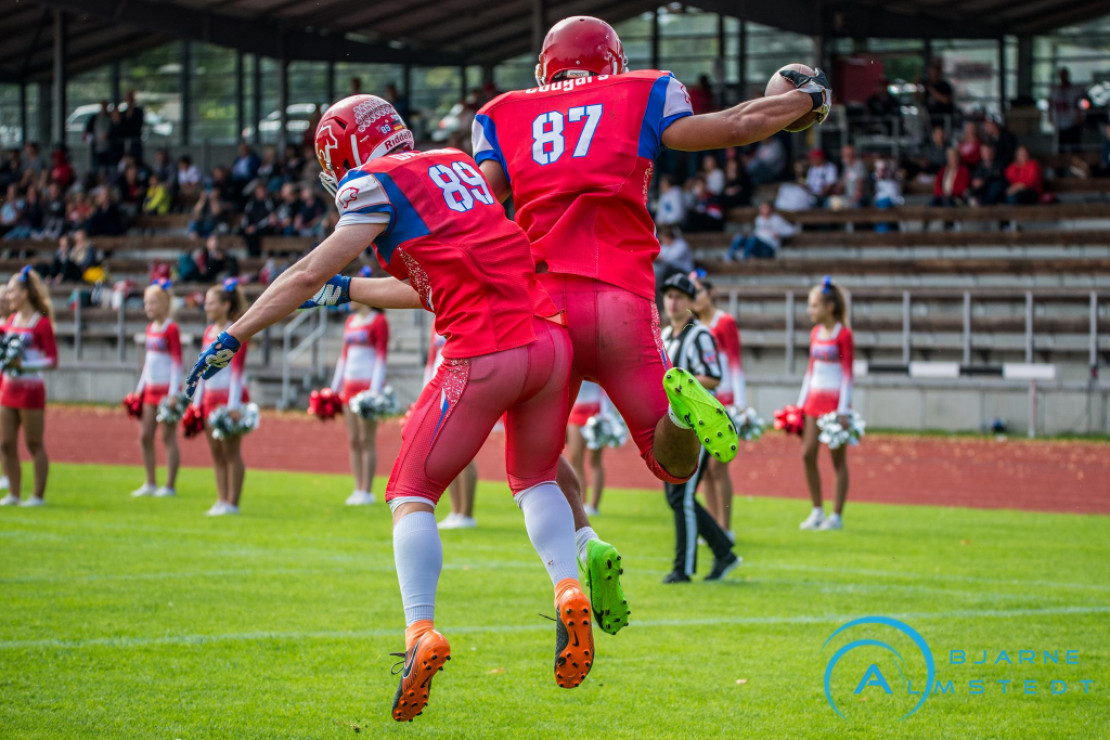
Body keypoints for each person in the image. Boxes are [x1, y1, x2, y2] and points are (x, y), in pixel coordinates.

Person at [188, 94, 597, 721]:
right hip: (547, 345)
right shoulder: (457, 164)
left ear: (345, 147)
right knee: (537, 478)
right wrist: (348, 291)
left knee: (411, 491)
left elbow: (302, 273)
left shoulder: (373, 183)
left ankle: (420, 632)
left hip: (482, 354)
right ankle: (569, 587)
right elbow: (430, 286)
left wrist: (234, 333)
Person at [472, 12, 826, 601]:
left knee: (530, 466)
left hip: (540, 305)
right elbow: (737, 126)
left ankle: (579, 556)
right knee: (674, 467)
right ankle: (682, 414)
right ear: (612, 63)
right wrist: (805, 98)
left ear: (546, 66)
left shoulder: (504, 113)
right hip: (620, 296)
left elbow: (479, 206)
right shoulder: (643, 92)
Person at [658, 274, 739, 582]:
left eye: (680, 296)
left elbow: (713, 375)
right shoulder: (664, 334)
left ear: (691, 302)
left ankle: (683, 568)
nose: (672, 301)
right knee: (676, 495)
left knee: (682, 494)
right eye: (668, 295)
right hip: (674, 424)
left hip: (700, 423)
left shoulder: (700, 334)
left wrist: (681, 385)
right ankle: (724, 552)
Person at [797, 276, 854, 532]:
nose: (811, 311)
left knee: (837, 459)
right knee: (807, 454)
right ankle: (817, 510)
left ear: (829, 307)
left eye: (815, 305)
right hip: (813, 401)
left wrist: (843, 410)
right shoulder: (815, 333)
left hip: (834, 405)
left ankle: (837, 515)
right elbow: (810, 370)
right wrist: (800, 404)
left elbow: (848, 373)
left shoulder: (844, 335)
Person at [191, 279, 250, 516]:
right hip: (209, 399)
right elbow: (203, 370)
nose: (206, 307)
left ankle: (233, 503)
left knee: (231, 452)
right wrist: (196, 402)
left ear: (225, 305)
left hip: (229, 399)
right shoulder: (208, 332)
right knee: (216, 452)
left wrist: (233, 405)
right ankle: (221, 499)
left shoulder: (236, 331)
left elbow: (238, 371)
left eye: (211, 303)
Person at [691, 277, 745, 539]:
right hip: (702, 404)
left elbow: (735, 364)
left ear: (710, 293)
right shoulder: (692, 326)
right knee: (706, 471)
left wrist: (740, 405)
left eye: (699, 291)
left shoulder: (725, 322)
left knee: (718, 467)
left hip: (724, 402)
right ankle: (713, 527)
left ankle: (726, 527)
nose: (695, 297)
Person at [0, 267, 57, 507]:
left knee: (34, 443)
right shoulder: (11, 321)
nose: (8, 297)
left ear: (24, 294)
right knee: (5, 443)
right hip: (8, 390)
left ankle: (37, 496)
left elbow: (52, 361)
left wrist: (25, 365)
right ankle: (13, 493)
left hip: (31, 390)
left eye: (12, 292)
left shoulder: (40, 323)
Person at [331, 299, 389, 506]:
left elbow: (381, 357)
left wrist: (374, 391)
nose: (348, 301)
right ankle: (357, 488)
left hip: (367, 389)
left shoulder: (379, 321)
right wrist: (334, 388)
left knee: (367, 439)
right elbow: (343, 357)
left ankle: (367, 489)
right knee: (354, 439)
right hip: (349, 387)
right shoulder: (350, 321)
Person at [423, 328, 480, 530]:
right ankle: (455, 511)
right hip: (438, 392)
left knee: (464, 452)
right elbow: (431, 361)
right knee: (446, 453)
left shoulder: (462, 316)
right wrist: (426, 394)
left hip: (461, 388)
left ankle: (467, 512)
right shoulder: (434, 325)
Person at [130, 280, 182, 498]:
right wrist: (139, 390)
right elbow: (148, 364)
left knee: (168, 437)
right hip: (150, 390)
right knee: (144, 436)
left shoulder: (171, 328)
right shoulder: (150, 328)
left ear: (164, 303)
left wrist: (173, 393)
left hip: (166, 392)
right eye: (146, 303)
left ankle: (169, 485)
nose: (148, 307)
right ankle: (150, 482)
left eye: (152, 302)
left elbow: (177, 363)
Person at [565, 381, 608, 516]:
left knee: (595, 460)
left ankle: (594, 506)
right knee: (575, 458)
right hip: (575, 410)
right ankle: (581, 504)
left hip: (596, 412)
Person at [727, 201, 796, 260]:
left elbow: (791, 230)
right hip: (757, 244)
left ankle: (744, 257)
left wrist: (779, 234)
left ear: (771, 209)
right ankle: (729, 256)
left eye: (766, 208)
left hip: (768, 248)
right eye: (763, 208)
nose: (764, 210)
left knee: (752, 239)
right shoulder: (758, 219)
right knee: (739, 237)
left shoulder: (777, 219)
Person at [1050, 67, 1085, 152]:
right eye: (1061, 75)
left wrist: (1080, 118)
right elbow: (1051, 105)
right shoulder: (1055, 91)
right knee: (1061, 149)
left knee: (1075, 148)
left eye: (1064, 75)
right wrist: (1050, 117)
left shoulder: (1074, 90)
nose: (1063, 77)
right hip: (1060, 123)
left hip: (1072, 122)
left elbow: (1080, 105)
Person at [919, 59, 955, 127]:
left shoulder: (945, 85)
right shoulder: (926, 88)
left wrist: (931, 89)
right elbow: (920, 101)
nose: (933, 74)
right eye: (931, 72)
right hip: (930, 120)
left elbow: (946, 100)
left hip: (943, 119)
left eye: (935, 72)